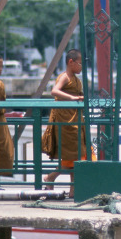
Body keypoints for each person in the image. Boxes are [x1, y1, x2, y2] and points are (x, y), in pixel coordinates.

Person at [41, 49, 90, 196]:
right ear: (71, 62)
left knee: (78, 155)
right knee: (75, 155)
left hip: (76, 120)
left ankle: (72, 189)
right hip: (66, 122)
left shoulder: (76, 79)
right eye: (80, 63)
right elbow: (54, 91)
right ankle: (50, 178)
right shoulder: (65, 77)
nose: (81, 67)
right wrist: (73, 98)